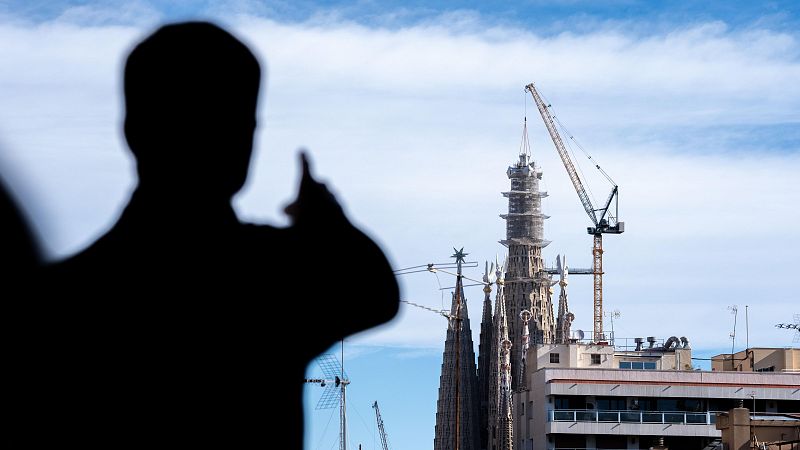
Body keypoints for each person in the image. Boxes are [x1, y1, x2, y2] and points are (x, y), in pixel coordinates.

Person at [10, 21, 398, 448]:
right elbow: (376, 291)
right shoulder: (273, 277)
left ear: (131, 129)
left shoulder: (59, 297)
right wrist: (326, 221)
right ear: (245, 140)